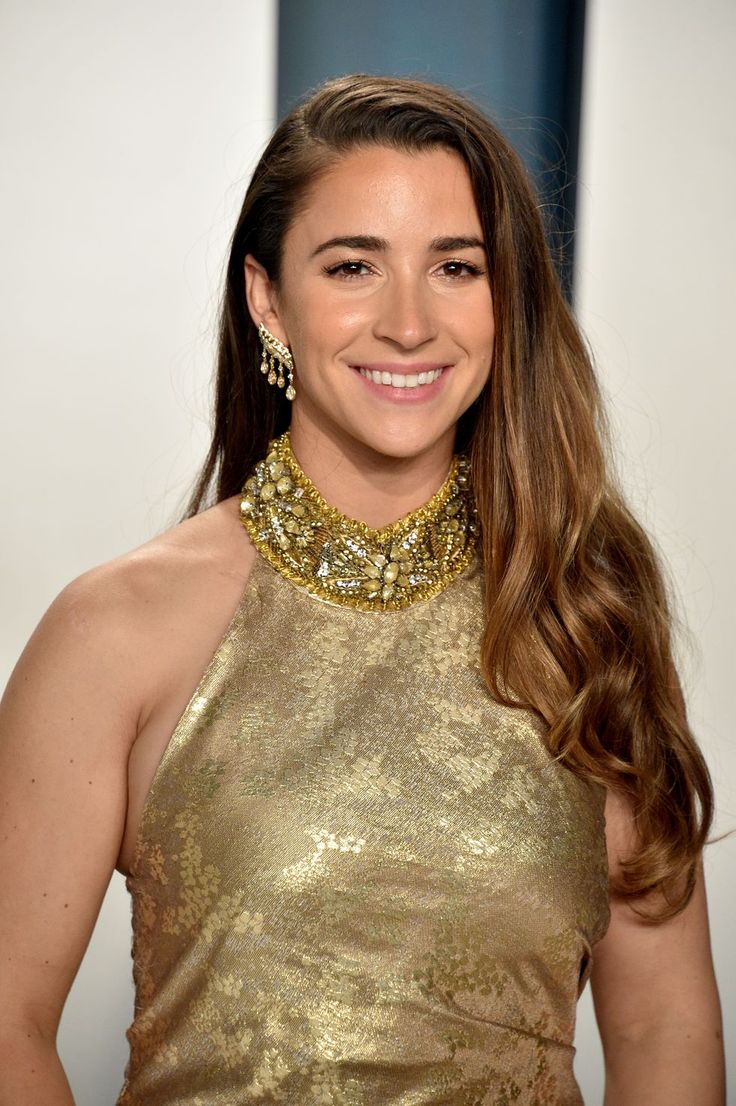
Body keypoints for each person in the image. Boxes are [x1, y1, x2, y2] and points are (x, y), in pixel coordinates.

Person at [0, 73, 725, 1105]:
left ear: (503, 297)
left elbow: (663, 1029)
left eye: (456, 267)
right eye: (352, 265)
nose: (407, 321)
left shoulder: (581, 617)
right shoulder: (115, 628)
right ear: (268, 299)